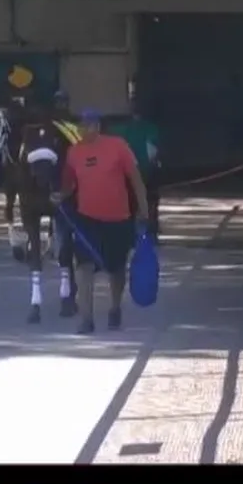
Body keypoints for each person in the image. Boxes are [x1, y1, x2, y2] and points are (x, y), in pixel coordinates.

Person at [53, 109, 150, 334]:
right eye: (81, 125)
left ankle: (115, 308)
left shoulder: (118, 146)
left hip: (118, 219)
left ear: (97, 126)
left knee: (116, 269)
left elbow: (135, 179)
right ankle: (86, 319)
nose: (83, 129)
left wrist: (144, 209)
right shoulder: (74, 153)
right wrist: (60, 195)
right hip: (87, 219)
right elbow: (69, 185)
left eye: (88, 125)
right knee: (83, 267)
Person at [109, 98, 161, 239]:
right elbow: (153, 153)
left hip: (128, 173)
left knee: (129, 205)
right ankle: (150, 233)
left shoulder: (119, 130)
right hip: (146, 172)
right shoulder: (151, 129)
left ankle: (129, 234)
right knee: (150, 203)